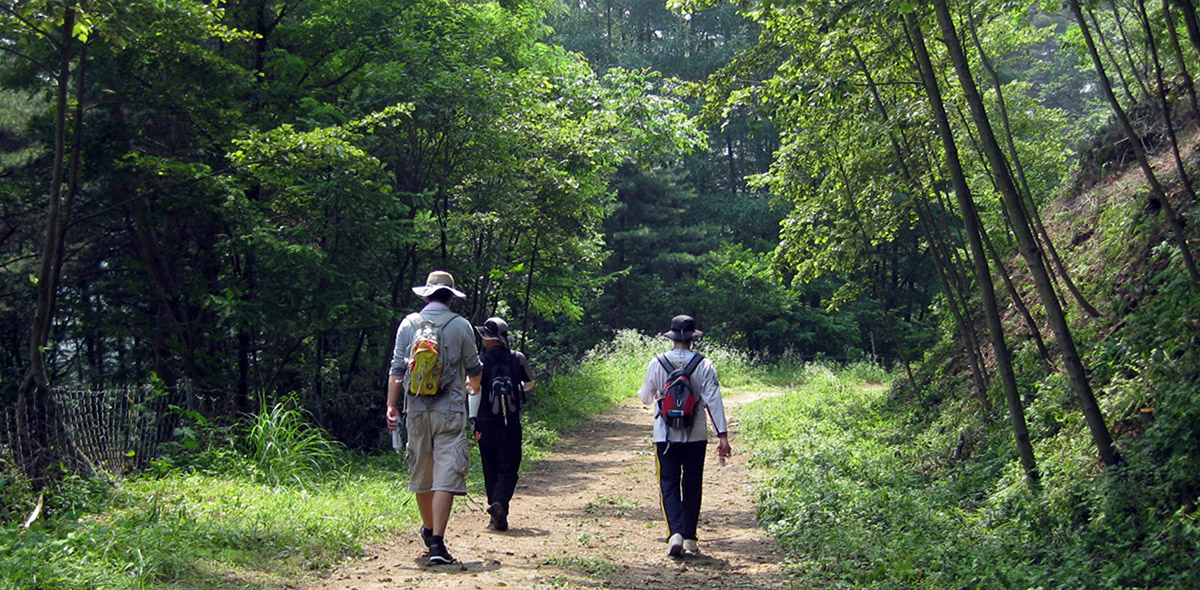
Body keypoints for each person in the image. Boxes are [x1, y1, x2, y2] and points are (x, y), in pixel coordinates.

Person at [386, 270, 482, 565]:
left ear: (426, 295)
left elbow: (397, 370)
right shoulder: (461, 325)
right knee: (446, 474)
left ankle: (428, 530)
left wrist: (392, 406)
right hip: (449, 411)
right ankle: (438, 542)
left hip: (416, 410)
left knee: (422, 473)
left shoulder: (409, 323)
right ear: (451, 297)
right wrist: (473, 386)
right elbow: (474, 367)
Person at [637, 314, 731, 557]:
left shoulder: (657, 362)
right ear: (692, 338)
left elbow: (647, 398)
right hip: (696, 434)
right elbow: (714, 402)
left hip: (664, 435)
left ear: (672, 336)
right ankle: (690, 537)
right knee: (692, 484)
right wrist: (723, 436)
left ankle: (675, 533)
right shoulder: (705, 364)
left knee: (668, 484)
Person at [469, 316, 535, 532]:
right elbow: (530, 383)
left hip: (485, 421)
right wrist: (515, 391)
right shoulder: (517, 358)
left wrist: (473, 420)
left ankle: (494, 508)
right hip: (511, 421)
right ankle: (500, 504)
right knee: (510, 465)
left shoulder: (480, 362)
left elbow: (472, 389)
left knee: (490, 465)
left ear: (488, 339)